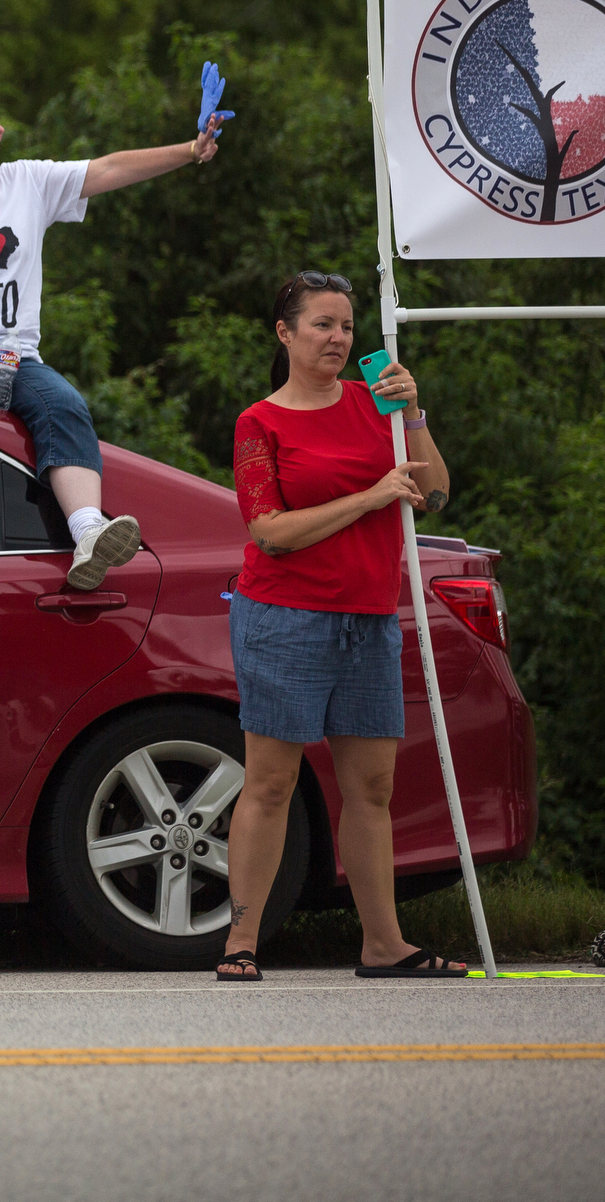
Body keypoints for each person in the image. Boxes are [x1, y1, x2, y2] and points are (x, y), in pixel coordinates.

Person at [212, 271, 466, 982]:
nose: (338, 338)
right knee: (270, 781)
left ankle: (383, 943)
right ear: (285, 333)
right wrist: (369, 496)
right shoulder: (260, 422)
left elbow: (436, 493)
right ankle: (241, 940)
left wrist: (413, 415)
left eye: (347, 326)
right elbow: (269, 531)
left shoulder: (377, 406)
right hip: (284, 619)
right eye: (322, 324)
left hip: (368, 620)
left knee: (373, 787)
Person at [0, 77, 224, 588]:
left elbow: (107, 168)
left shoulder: (25, 183)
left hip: (11, 357)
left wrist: (190, 149)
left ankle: (89, 534)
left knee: (63, 403)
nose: (0, 128)